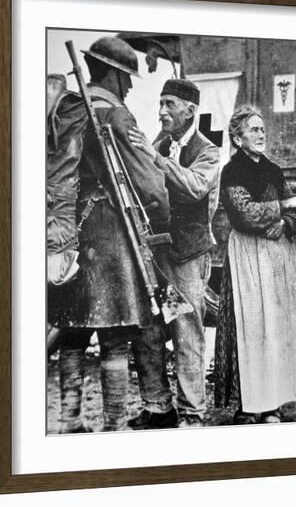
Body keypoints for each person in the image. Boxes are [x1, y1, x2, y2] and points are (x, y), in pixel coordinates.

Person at [49, 36, 170, 432]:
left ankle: (69, 421)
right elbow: (150, 184)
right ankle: (115, 423)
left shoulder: (70, 108)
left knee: (71, 334)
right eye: (128, 78)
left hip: (70, 234)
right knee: (115, 337)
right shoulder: (116, 115)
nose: (132, 86)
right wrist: (162, 218)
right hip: (113, 235)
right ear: (115, 75)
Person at [213, 105, 296, 424]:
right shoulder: (231, 171)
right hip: (246, 256)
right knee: (250, 328)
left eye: (262, 129)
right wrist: (281, 208)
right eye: (253, 129)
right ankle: (248, 405)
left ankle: (271, 405)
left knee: (275, 328)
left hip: (276, 256)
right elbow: (244, 214)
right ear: (237, 137)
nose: (261, 134)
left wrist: (285, 223)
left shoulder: (274, 170)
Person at [128, 78, 220, 428]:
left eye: (169, 104)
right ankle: (158, 407)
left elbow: (196, 187)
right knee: (149, 331)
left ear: (190, 111)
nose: (162, 111)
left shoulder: (208, 151)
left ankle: (193, 413)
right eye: (160, 103)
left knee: (187, 332)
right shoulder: (158, 143)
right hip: (158, 257)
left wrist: (154, 158)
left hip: (188, 257)